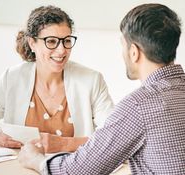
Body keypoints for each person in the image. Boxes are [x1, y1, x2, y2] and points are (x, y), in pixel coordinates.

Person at [18, 3, 185, 174]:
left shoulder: (138, 106)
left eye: (123, 45)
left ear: (134, 52)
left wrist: (36, 160)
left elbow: (78, 171)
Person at [0, 5, 114, 153]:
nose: (62, 50)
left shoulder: (92, 80)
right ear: (32, 43)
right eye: (51, 41)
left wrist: (65, 145)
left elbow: (113, 136)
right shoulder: (13, 78)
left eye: (67, 40)